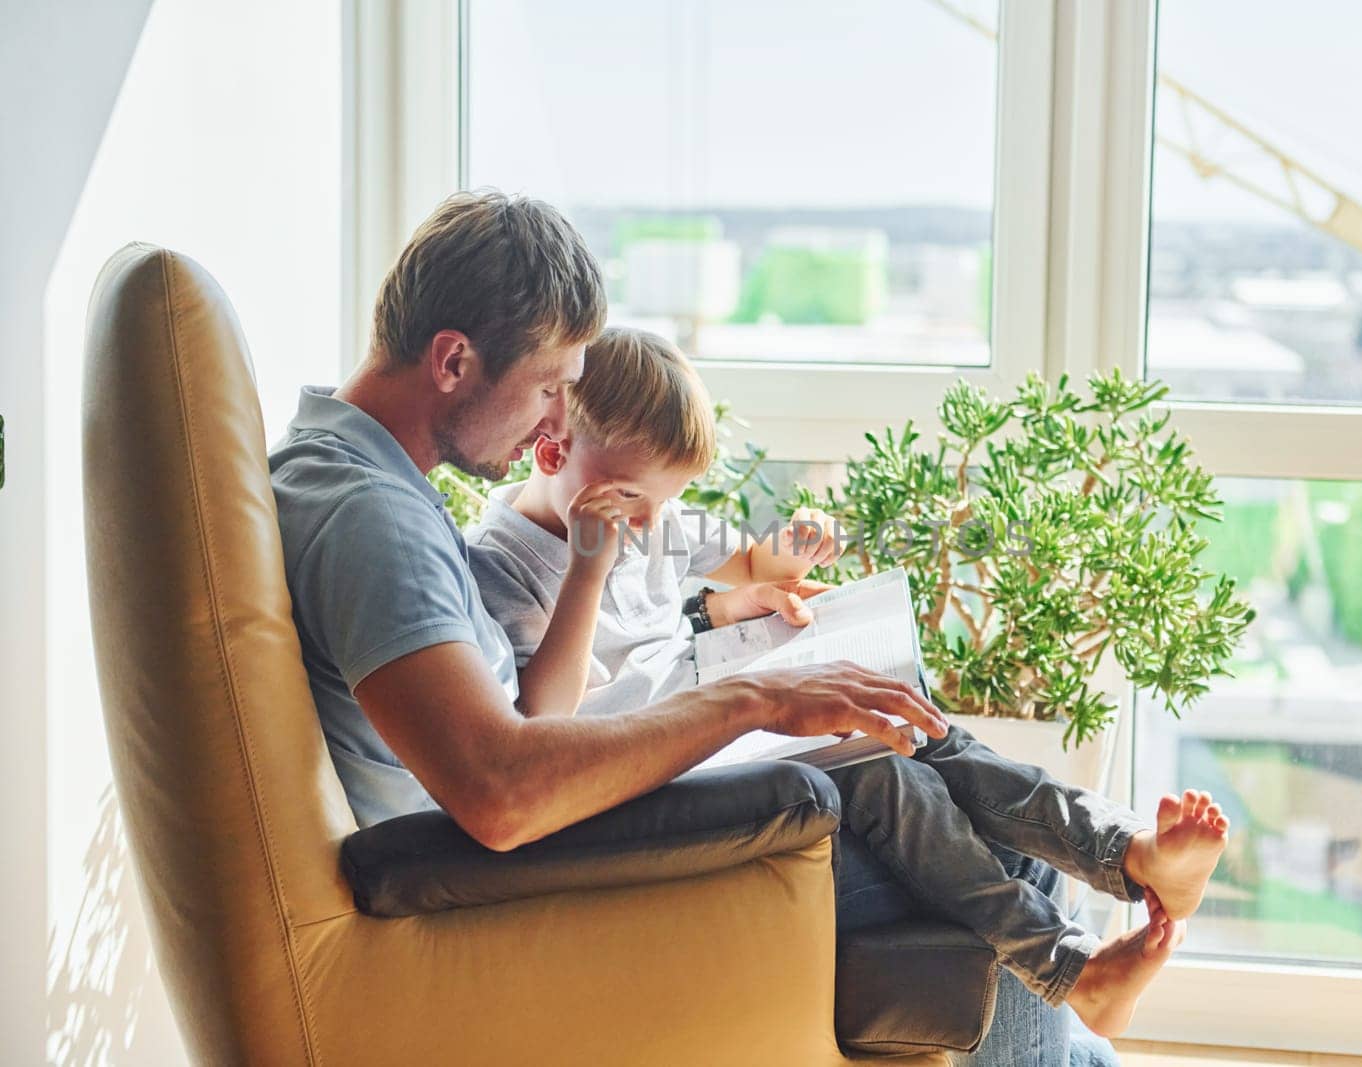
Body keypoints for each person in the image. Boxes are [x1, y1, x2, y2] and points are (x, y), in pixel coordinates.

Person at [264, 188, 1149, 1064]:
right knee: (986, 858)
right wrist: (754, 699)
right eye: (547, 388)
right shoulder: (371, 517)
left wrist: (738, 637)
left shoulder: (366, 485)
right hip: (511, 881)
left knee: (945, 810)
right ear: (453, 361)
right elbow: (501, 793)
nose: (554, 425)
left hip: (524, 848)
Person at [466, 326, 1231, 1038]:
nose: (647, 523)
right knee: (886, 777)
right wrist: (585, 573)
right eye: (632, 498)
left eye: (663, 502)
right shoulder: (503, 564)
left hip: (718, 728)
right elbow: (543, 718)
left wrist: (791, 552)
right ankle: (1070, 968)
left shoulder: (651, 520)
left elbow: (751, 565)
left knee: (919, 726)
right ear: (549, 449)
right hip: (649, 779)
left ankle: (1124, 850)